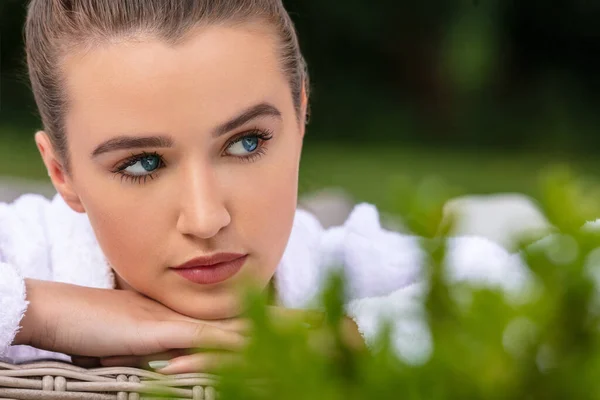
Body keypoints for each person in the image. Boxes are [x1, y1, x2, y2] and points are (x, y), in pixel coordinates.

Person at [0, 0, 530, 375]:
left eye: (246, 143)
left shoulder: (345, 274)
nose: (207, 219)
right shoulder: (28, 251)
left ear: (300, 116)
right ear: (61, 172)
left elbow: (562, 283)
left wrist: (348, 334)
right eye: (142, 163)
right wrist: (37, 311)